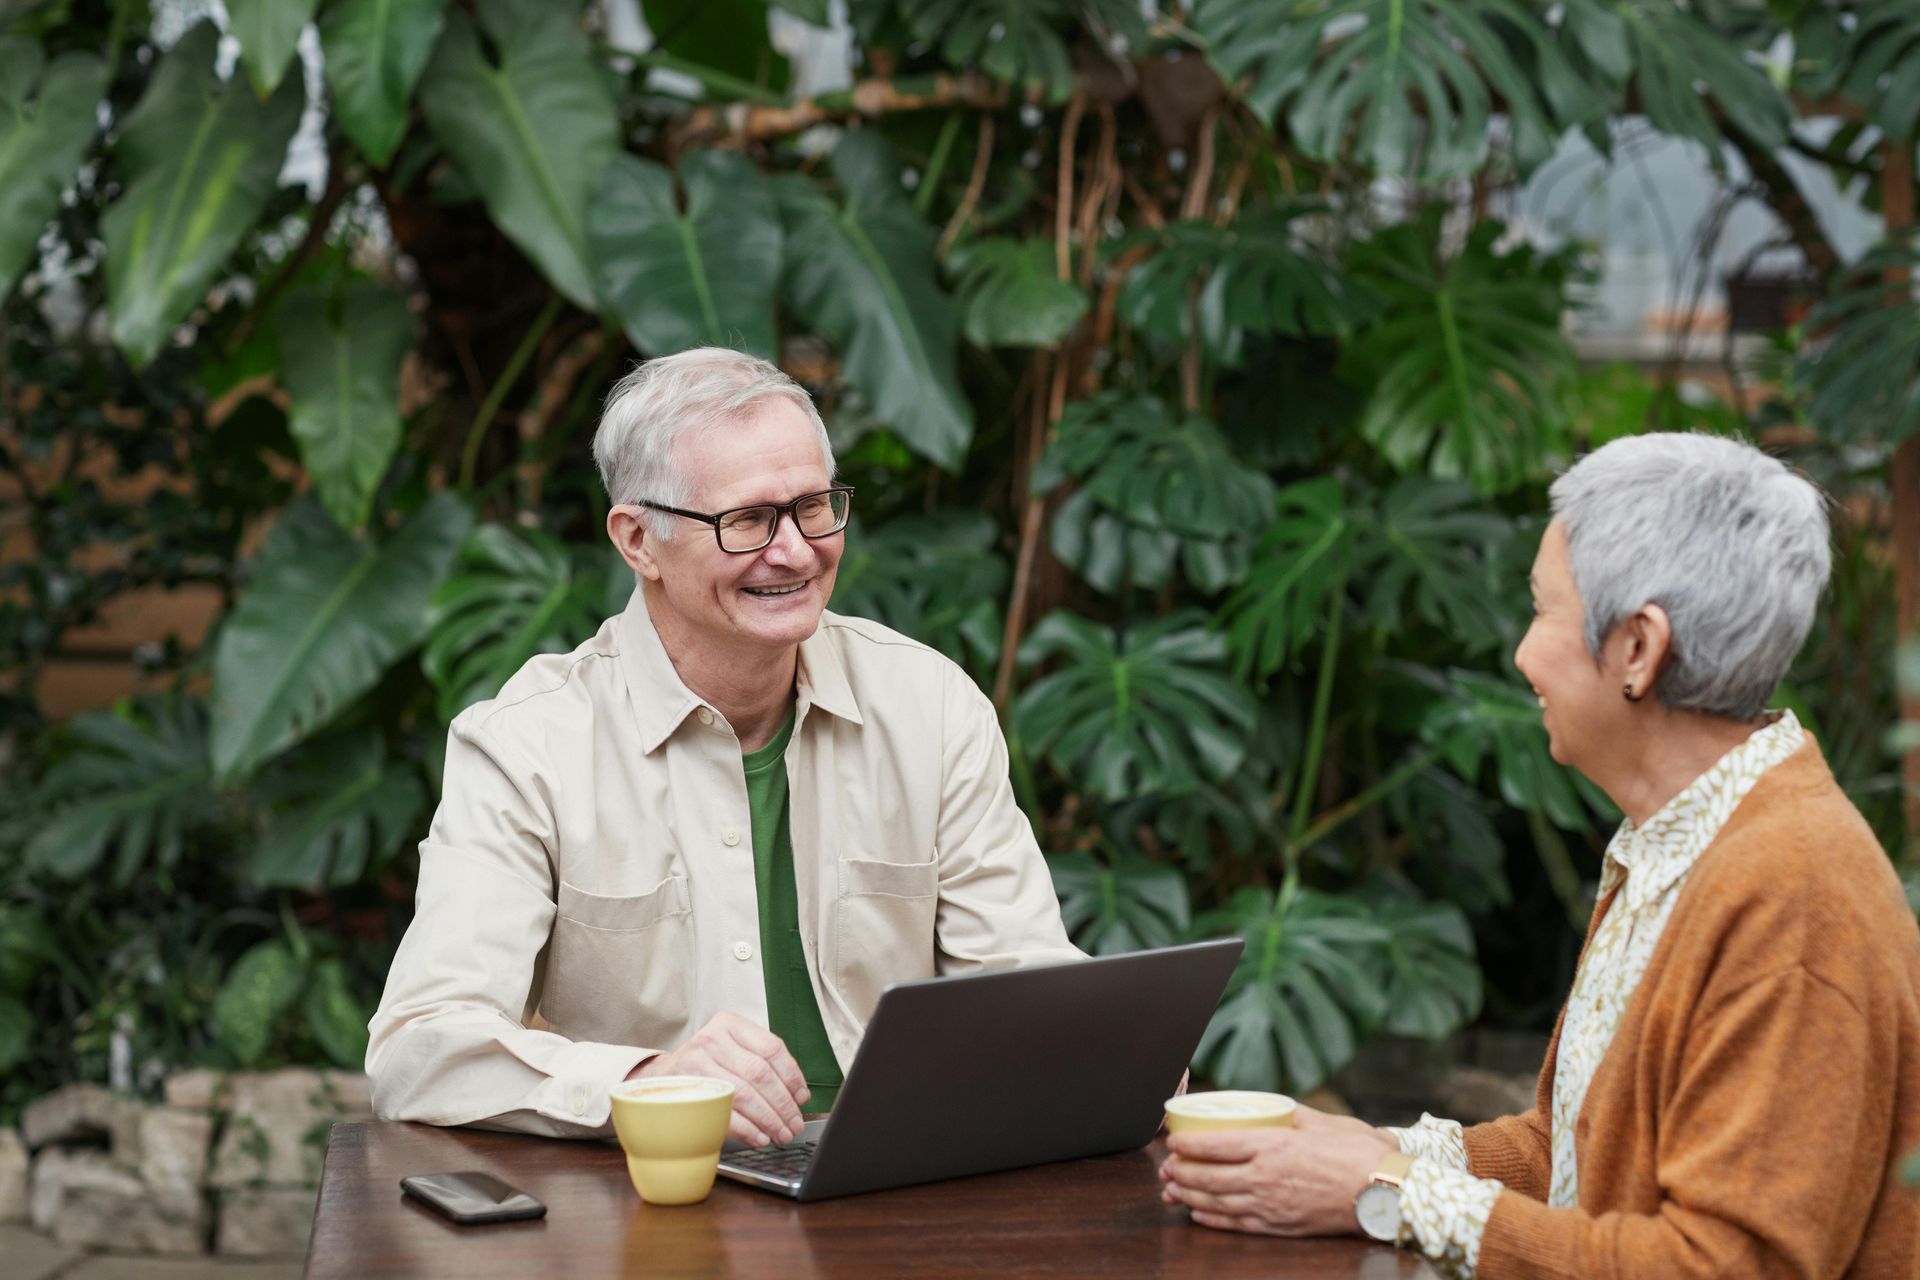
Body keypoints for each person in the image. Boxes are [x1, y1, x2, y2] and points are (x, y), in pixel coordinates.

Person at [1159, 432, 1920, 1277]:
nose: (1522, 654)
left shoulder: (1791, 892)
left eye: (1542, 609)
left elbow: (1724, 1265)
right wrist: (1365, 1152)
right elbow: (1571, 1153)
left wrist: (1392, 1194)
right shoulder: (1683, 836)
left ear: (1638, 648)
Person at [367, 348, 1081, 1147]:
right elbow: (418, 1048)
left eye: (814, 506)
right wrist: (645, 1086)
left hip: (899, 1181)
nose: (798, 551)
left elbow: (1025, 984)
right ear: (638, 541)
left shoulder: (930, 706)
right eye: (748, 520)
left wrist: (1102, 1044)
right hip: (660, 1202)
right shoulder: (526, 746)